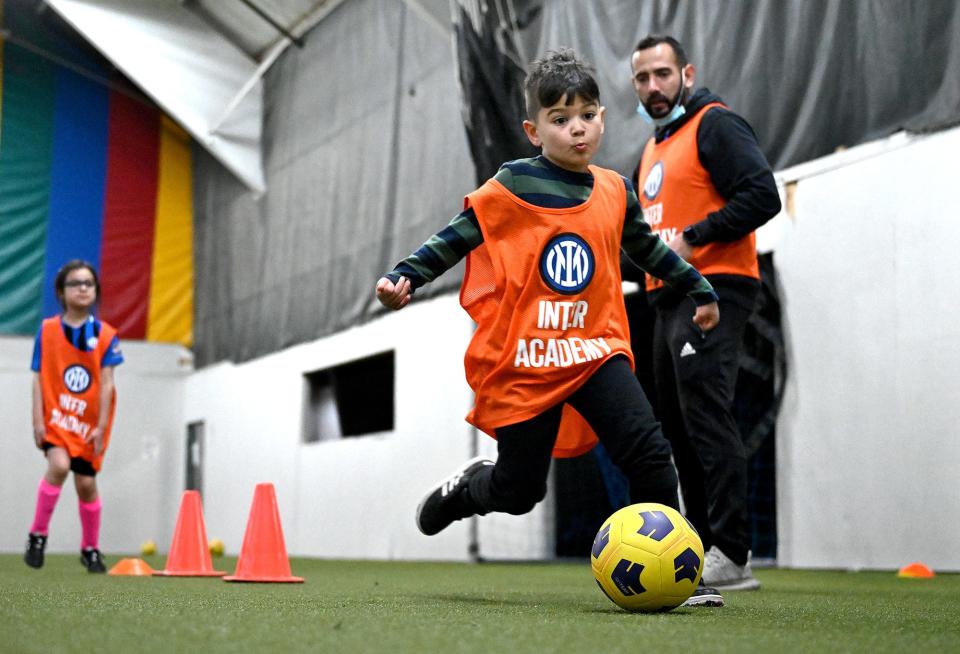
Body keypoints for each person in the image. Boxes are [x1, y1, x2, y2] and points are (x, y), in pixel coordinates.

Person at [377, 49, 724, 607]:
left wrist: (699, 288)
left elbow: (650, 252)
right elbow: (456, 238)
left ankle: (679, 577)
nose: (576, 128)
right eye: (560, 120)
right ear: (533, 130)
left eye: (586, 114)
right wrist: (404, 277)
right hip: (529, 358)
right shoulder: (512, 186)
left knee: (651, 455)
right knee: (519, 492)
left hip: (595, 350)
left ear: (603, 119)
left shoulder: (615, 190)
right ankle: (468, 487)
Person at [628, 35, 782, 591]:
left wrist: (697, 236)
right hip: (665, 298)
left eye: (663, 74)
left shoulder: (715, 125)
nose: (654, 87)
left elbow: (764, 194)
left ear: (686, 73)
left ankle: (734, 552)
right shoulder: (651, 150)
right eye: (643, 79)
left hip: (714, 289)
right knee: (678, 425)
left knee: (707, 417)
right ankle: (697, 547)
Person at [24, 260, 124, 573]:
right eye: (75, 283)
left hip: (89, 424)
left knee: (85, 484)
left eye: (88, 283)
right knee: (59, 465)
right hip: (56, 418)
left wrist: (101, 426)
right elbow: (38, 376)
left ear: (96, 291)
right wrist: (38, 420)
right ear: (61, 292)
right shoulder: (48, 330)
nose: (82, 288)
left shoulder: (106, 335)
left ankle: (90, 548)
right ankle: (37, 536)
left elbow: (107, 384)